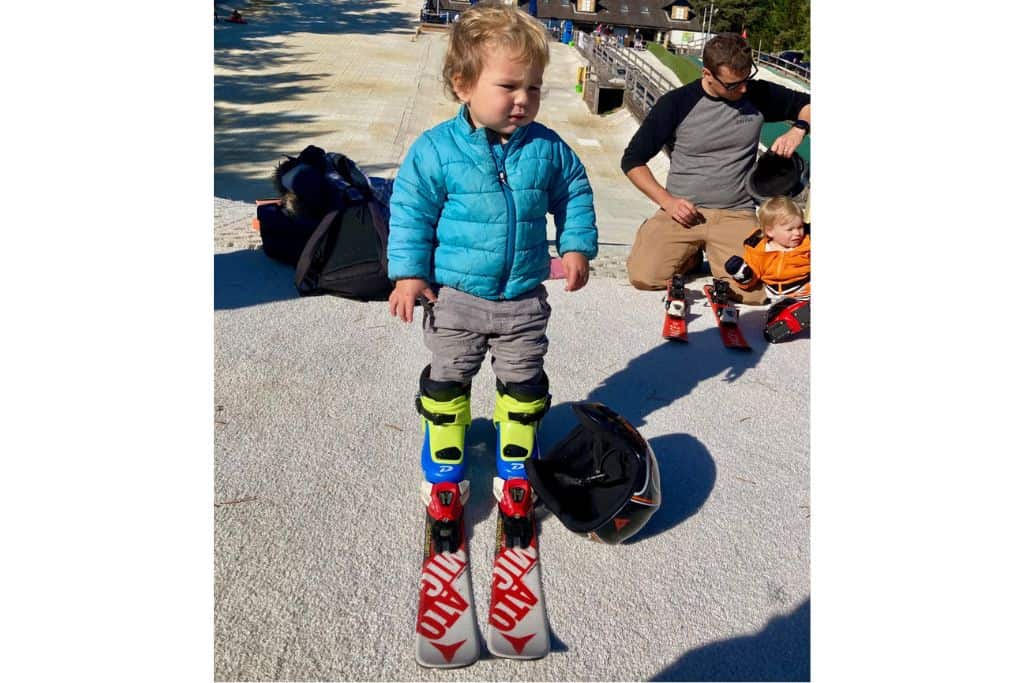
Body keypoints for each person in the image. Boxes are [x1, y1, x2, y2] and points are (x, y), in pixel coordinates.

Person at [387, 1, 598, 489]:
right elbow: (411, 211)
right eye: (508, 87)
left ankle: (517, 439)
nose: (523, 99)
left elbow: (575, 193)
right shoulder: (436, 149)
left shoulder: (547, 148)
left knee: (524, 376)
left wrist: (576, 247)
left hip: (523, 295)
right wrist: (409, 274)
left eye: (534, 88)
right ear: (463, 85)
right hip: (455, 296)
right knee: (449, 371)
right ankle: (444, 438)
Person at [620, 32, 810, 304]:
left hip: (735, 212)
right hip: (682, 211)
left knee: (752, 294)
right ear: (707, 73)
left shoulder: (754, 93)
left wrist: (798, 130)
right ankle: (689, 255)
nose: (743, 89)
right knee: (644, 276)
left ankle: (714, 253)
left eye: (746, 79)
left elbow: (809, 104)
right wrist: (668, 202)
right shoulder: (676, 103)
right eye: (733, 84)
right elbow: (632, 161)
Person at [724, 196, 810, 342]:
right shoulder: (759, 252)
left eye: (800, 227)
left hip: (806, 289)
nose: (797, 233)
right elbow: (752, 279)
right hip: (780, 297)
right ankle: (777, 325)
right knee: (777, 311)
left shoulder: (807, 244)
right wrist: (741, 273)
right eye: (790, 229)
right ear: (770, 232)